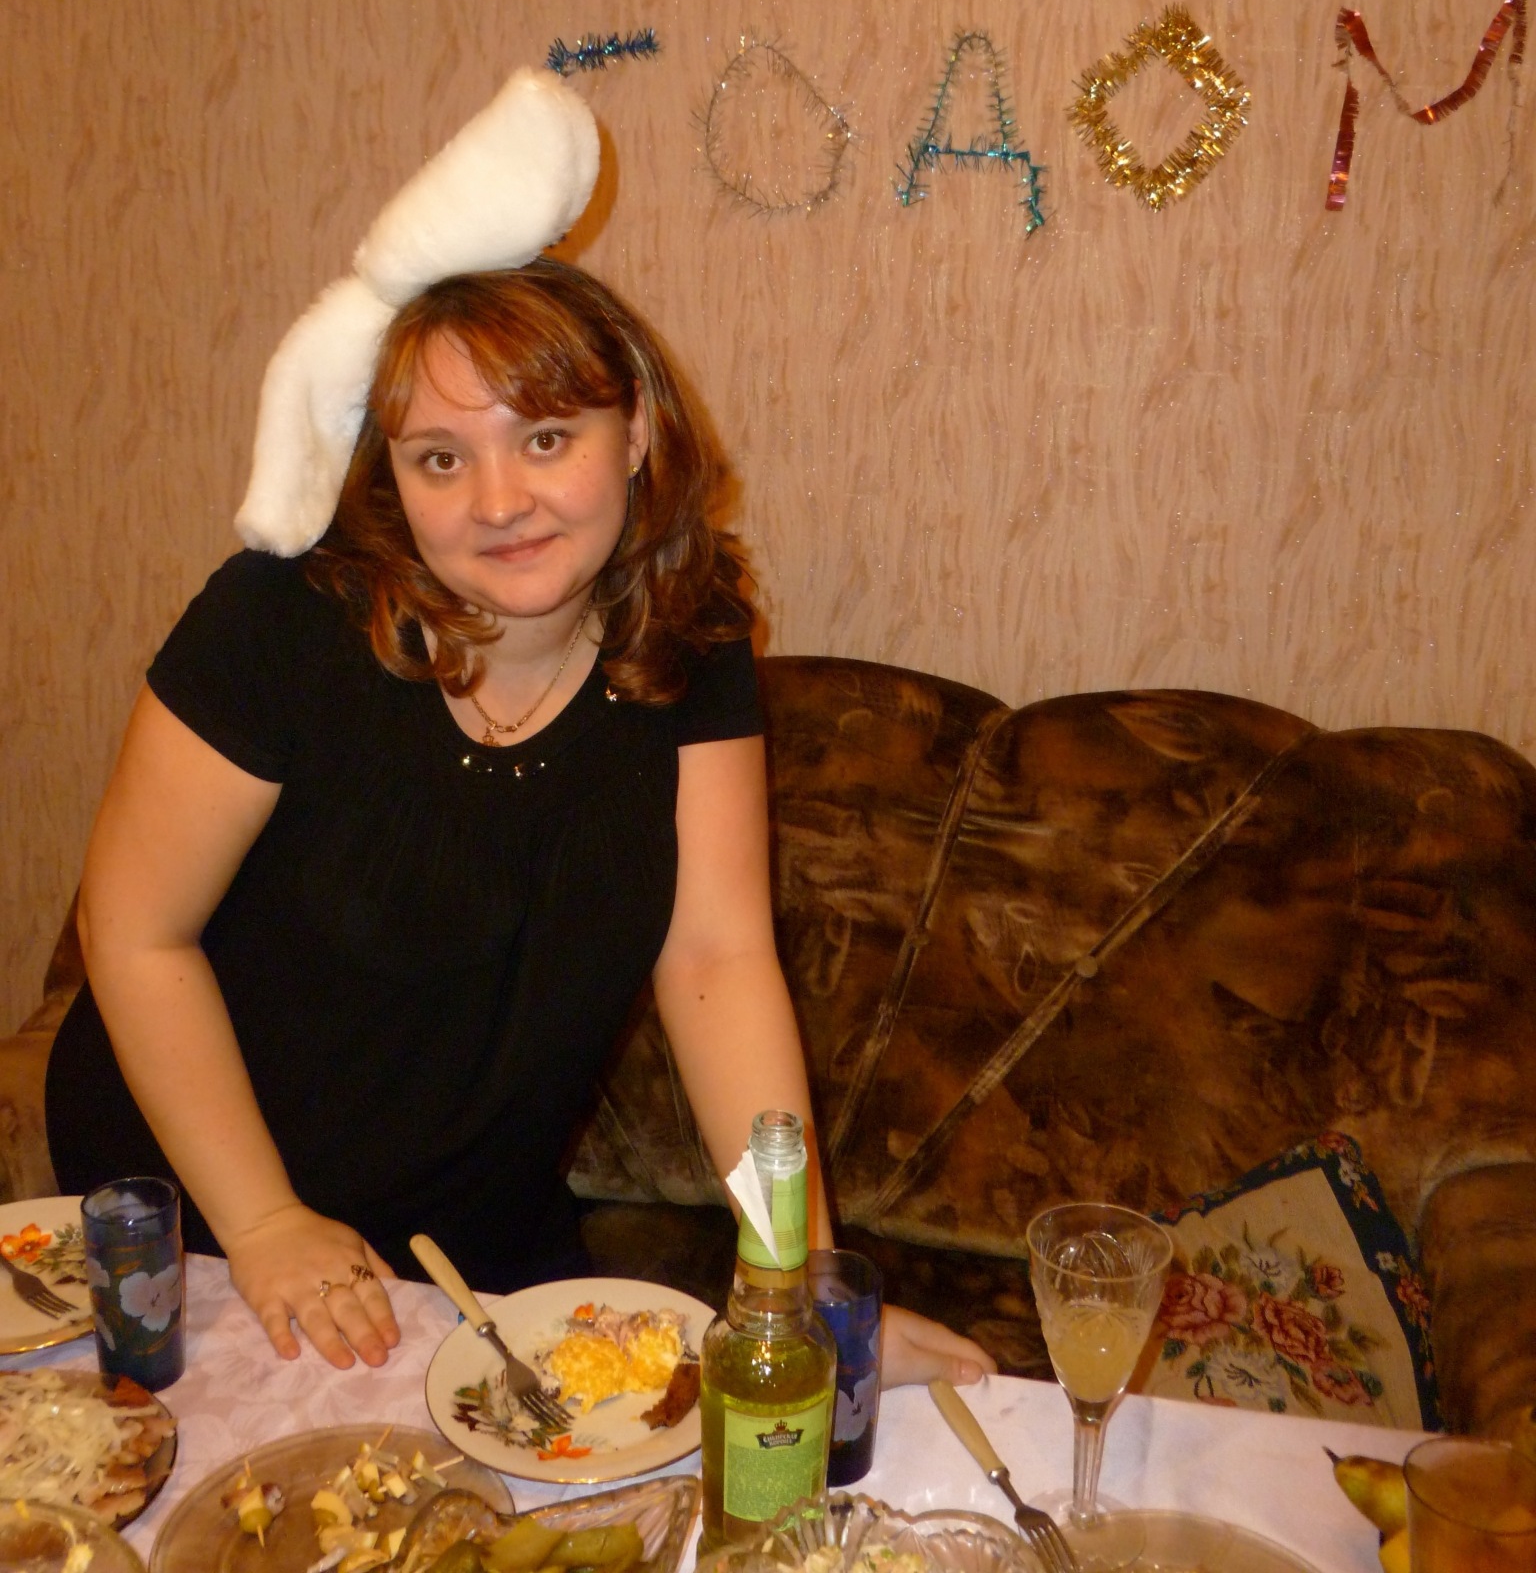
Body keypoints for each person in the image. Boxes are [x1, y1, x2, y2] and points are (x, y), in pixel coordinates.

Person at [46, 69, 994, 1387]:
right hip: (204, 1214)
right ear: (392, 477)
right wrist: (262, 1225)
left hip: (475, 1236)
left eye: (546, 437)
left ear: (635, 431)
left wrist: (798, 1280)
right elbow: (134, 932)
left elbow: (718, 961)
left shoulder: (693, 631)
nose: (500, 501)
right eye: (441, 457)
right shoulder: (280, 620)